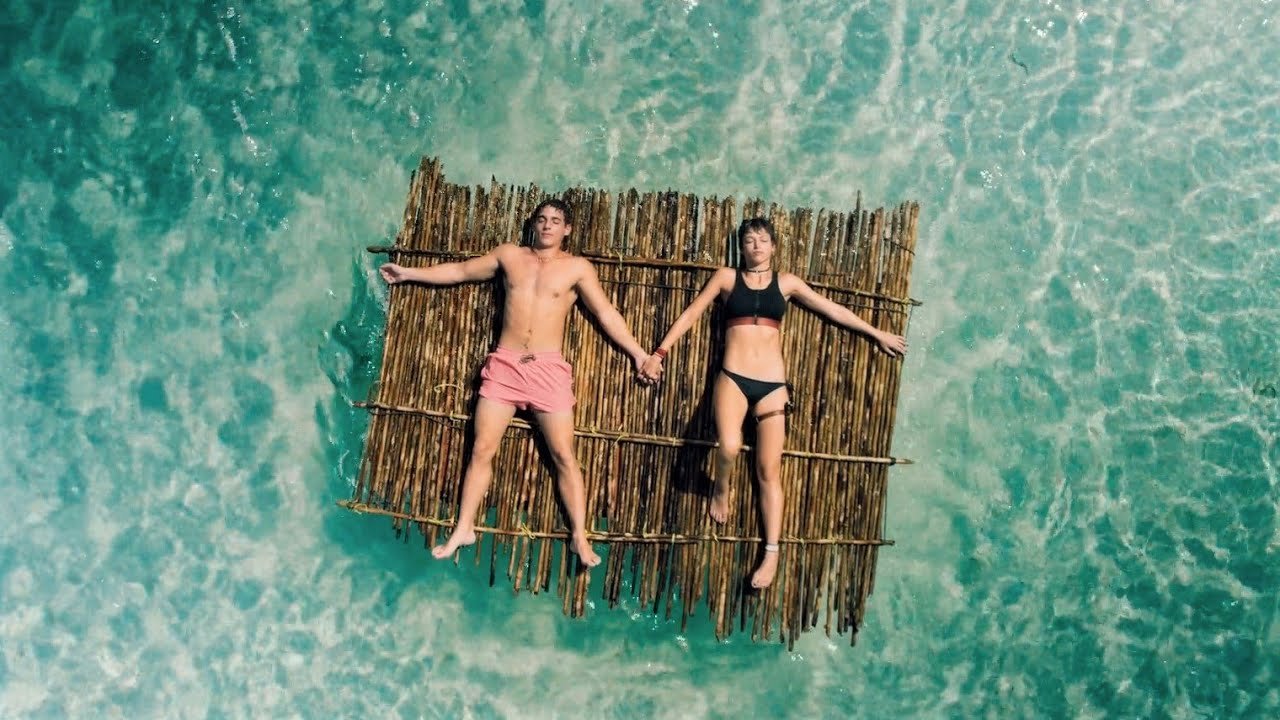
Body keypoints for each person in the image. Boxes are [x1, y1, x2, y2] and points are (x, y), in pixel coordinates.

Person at [379, 199, 655, 567]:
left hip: (547, 370)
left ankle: (579, 535)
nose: (547, 226)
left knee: (564, 455)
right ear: (534, 224)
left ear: (567, 229)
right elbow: (461, 271)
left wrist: (638, 353)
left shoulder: (576, 268)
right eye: (542, 219)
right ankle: (464, 527)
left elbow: (605, 313)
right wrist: (409, 273)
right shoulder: (510, 255)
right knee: (481, 449)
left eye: (555, 221)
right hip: (505, 366)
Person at [638, 217, 907, 588]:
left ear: (774, 246)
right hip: (733, 377)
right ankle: (721, 487)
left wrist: (876, 333)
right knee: (728, 446)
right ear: (742, 247)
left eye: (763, 240)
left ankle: (771, 553)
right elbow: (692, 313)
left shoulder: (788, 283)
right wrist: (659, 353)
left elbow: (831, 308)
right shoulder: (726, 278)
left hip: (772, 386)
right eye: (749, 240)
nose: (756, 246)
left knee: (769, 471)